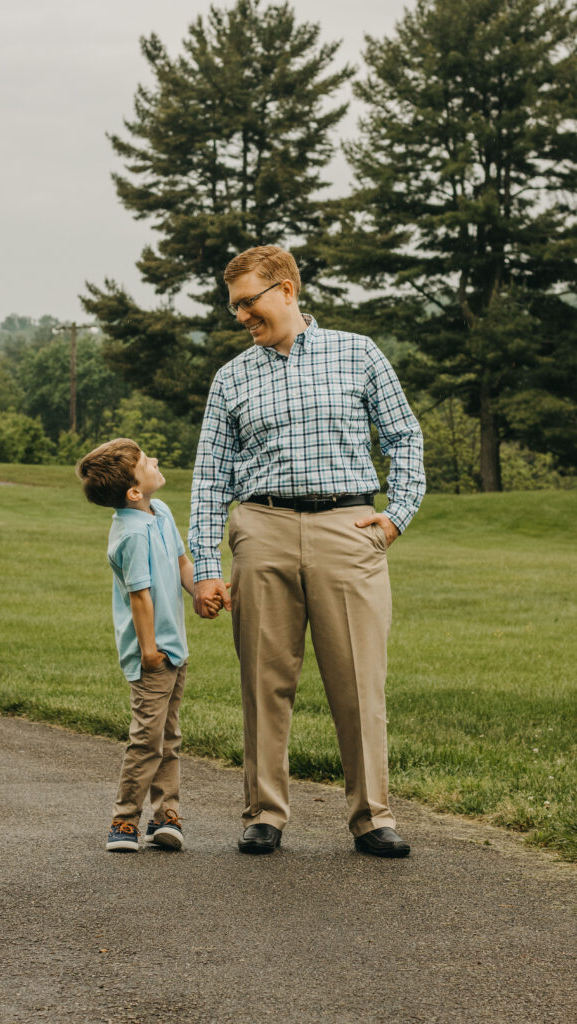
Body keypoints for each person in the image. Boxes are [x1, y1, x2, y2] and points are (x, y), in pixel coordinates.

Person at [189, 245, 425, 857]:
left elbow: (404, 437)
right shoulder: (231, 377)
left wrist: (396, 516)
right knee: (265, 682)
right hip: (261, 528)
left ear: (287, 290)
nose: (241, 314)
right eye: (235, 305)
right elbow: (210, 476)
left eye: (250, 301)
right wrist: (206, 570)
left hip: (348, 528)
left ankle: (372, 817)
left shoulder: (358, 352)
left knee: (357, 683)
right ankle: (265, 813)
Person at [77, 438, 219, 852]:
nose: (154, 460)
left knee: (169, 736)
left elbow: (180, 564)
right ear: (133, 492)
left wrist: (200, 592)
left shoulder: (160, 512)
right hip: (152, 655)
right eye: (145, 461)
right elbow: (140, 597)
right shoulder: (132, 534)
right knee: (147, 740)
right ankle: (123, 822)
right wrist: (150, 651)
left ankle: (165, 817)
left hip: (175, 649)